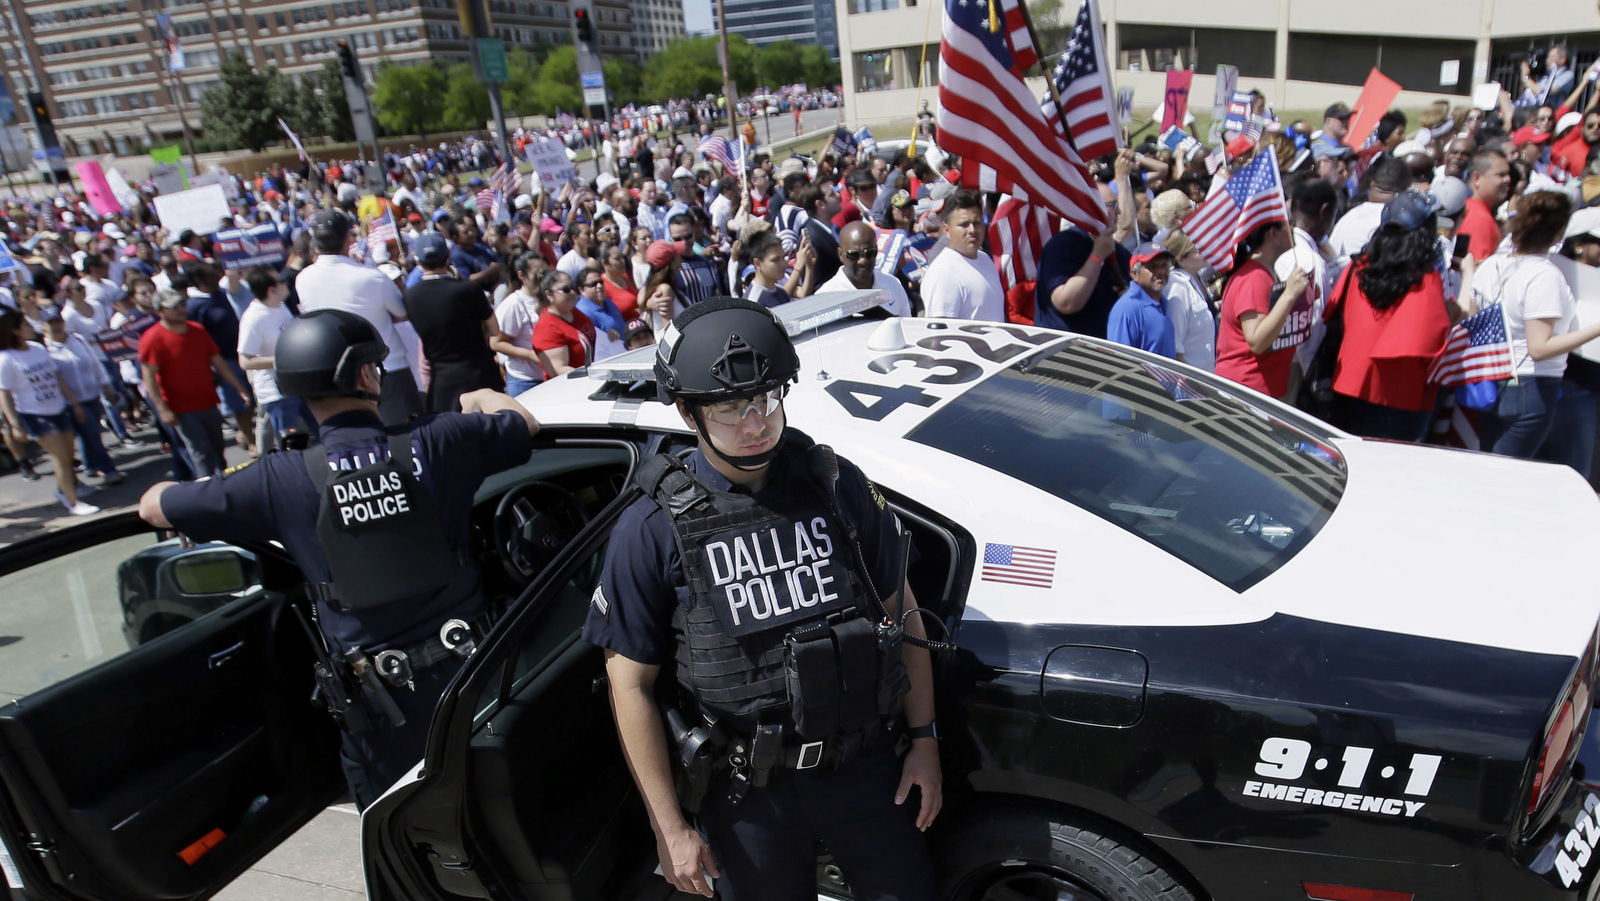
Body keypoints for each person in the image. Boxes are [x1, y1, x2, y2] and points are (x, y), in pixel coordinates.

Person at [584, 298, 941, 901]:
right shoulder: (651, 528)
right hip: (746, 792)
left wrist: (926, 741)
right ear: (688, 411)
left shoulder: (834, 484)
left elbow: (900, 608)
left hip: (865, 768)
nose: (755, 424)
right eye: (729, 408)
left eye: (767, 399)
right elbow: (630, 686)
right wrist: (668, 827)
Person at [137, 309, 539, 809]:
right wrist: (478, 397)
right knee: (510, 803)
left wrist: (215, 483)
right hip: (480, 675)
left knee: (404, 832)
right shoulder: (438, 440)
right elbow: (525, 422)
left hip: (383, 706)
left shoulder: (275, 479)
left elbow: (152, 505)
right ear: (366, 375)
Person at [1324, 191, 1459, 442]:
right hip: (1398, 392)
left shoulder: (1359, 266)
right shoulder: (1425, 278)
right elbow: (1433, 338)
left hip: (1351, 381)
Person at [1473, 191, 1600, 458]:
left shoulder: (1488, 266)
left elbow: (1473, 325)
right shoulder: (1545, 276)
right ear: (1559, 233)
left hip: (1490, 383)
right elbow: (1539, 348)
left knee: (1492, 470)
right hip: (1530, 388)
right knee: (1509, 476)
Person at [296, 209, 423, 426]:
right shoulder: (372, 277)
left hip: (340, 375)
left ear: (315, 245)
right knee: (407, 438)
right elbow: (401, 315)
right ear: (348, 238)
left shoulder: (303, 279)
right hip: (388, 368)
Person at [139, 289, 252, 478]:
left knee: (217, 449)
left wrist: (240, 388)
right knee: (201, 452)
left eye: (182, 304)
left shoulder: (197, 330)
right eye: (174, 307)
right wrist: (162, 409)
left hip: (207, 401)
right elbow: (149, 377)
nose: (181, 309)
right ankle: (208, 490)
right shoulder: (152, 338)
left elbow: (218, 361)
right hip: (181, 408)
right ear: (160, 311)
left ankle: (224, 484)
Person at [0, 310, 98, 514]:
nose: (30, 327)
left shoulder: (37, 348)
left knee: (68, 456)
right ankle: (73, 503)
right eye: (25, 324)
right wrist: (15, 424)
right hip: (35, 415)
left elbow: (56, 378)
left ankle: (63, 490)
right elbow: (5, 394)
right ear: (15, 331)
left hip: (59, 409)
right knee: (61, 457)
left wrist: (74, 403)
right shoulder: (6, 359)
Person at [402, 233, 506, 413]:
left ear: (417, 259)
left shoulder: (409, 297)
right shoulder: (469, 288)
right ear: (448, 256)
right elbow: (494, 329)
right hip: (480, 377)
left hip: (442, 386)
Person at [1214, 221, 1312, 399]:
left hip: (1260, 391)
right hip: (1246, 393)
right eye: (1288, 224)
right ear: (1272, 234)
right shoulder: (1254, 277)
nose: (1293, 229)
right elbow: (1257, 340)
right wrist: (1289, 295)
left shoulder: (1262, 272)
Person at [39, 305, 123, 485]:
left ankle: (90, 466)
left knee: (88, 434)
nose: (55, 325)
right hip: (70, 402)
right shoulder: (45, 349)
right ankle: (109, 470)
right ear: (43, 325)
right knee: (91, 433)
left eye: (57, 321)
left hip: (91, 395)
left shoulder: (77, 339)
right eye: (50, 322)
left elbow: (95, 364)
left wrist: (106, 388)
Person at [238, 266, 313, 453]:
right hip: (276, 393)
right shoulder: (254, 318)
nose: (286, 283)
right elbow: (245, 361)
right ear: (271, 290)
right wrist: (282, 359)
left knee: (316, 436)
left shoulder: (280, 306)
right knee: (290, 446)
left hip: (297, 386)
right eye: (281, 281)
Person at [921, 189, 1004, 321]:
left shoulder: (985, 259)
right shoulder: (943, 273)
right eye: (964, 225)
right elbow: (940, 335)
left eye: (977, 223)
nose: (972, 230)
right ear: (947, 231)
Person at [819, 221, 913, 317]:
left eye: (869, 253)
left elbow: (907, 327)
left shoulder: (893, 284)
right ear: (840, 254)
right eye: (854, 255)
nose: (863, 261)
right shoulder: (824, 298)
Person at [1106, 243, 1177, 358]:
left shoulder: (1162, 304)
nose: (1161, 271)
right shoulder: (1127, 309)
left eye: (1164, 265)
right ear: (1135, 274)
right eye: (1152, 266)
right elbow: (1120, 361)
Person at [491, 253, 547, 397]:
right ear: (521, 275)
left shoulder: (550, 296)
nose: (542, 277)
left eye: (545, 271)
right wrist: (529, 355)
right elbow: (496, 343)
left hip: (551, 377)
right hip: (526, 381)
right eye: (537, 273)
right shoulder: (514, 303)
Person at [1159, 230, 1215, 370]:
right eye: (1197, 250)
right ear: (1181, 259)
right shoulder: (1177, 287)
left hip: (1210, 375)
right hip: (1194, 383)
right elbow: (1176, 344)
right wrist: (1187, 385)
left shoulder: (1197, 278)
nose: (1204, 251)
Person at [532, 269, 596, 378]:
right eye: (565, 289)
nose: (572, 292)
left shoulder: (575, 312)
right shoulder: (546, 327)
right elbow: (558, 369)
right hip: (573, 388)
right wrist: (592, 377)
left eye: (572, 287)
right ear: (549, 295)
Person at [1459, 150, 1512, 263]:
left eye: (1508, 174)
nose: (1507, 179)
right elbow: (1478, 273)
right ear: (1477, 178)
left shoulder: (1470, 208)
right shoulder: (1480, 220)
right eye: (1501, 175)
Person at [743, 229, 814, 308]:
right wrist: (799, 265)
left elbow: (804, 294)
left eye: (783, 257)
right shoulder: (754, 304)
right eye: (775, 260)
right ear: (757, 263)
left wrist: (809, 265)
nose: (783, 264)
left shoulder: (779, 291)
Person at [575, 264, 629, 361]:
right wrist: (605, 336)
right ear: (581, 290)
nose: (599, 286)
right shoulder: (582, 311)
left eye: (600, 282)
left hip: (624, 354)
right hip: (607, 361)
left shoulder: (607, 301)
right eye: (593, 284)